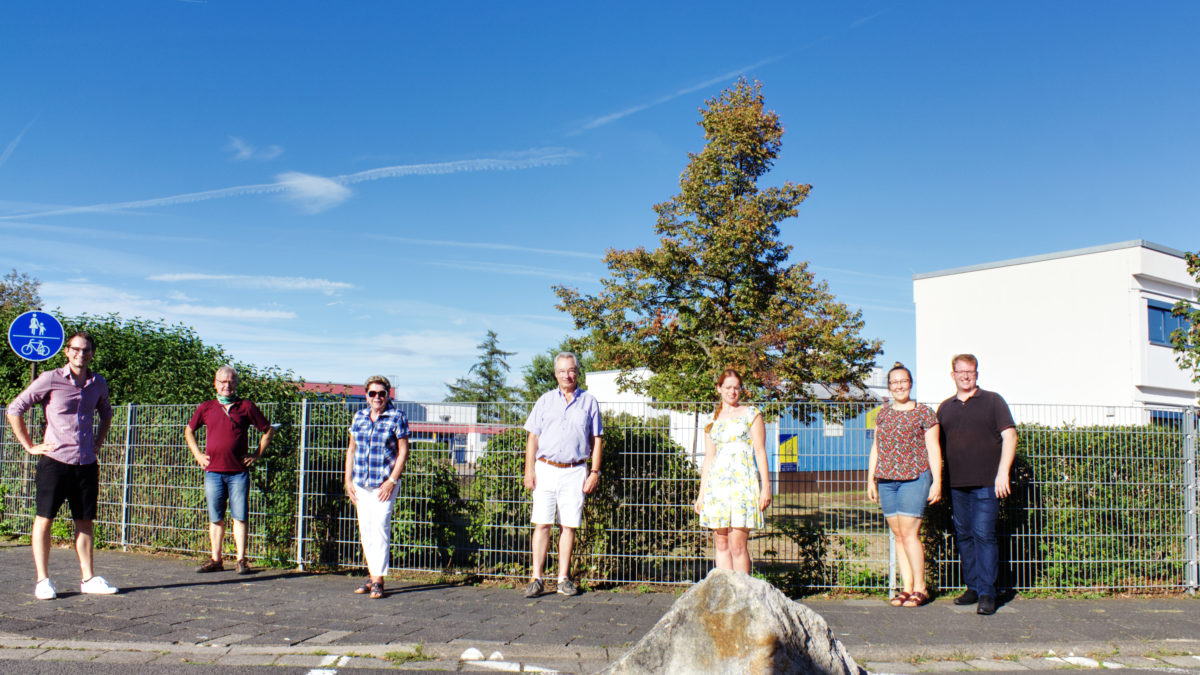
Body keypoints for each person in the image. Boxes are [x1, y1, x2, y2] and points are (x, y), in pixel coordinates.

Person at [5, 331, 119, 599]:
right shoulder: (51, 379)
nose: (81, 354)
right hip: (54, 462)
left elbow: (106, 413)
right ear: (67, 352)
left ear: (92, 354)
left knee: (85, 521)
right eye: (76, 349)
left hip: (86, 463)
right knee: (44, 520)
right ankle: (43, 581)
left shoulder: (98, 383)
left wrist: (98, 444)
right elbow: (15, 409)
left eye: (87, 350)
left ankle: (89, 579)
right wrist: (29, 446)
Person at [937, 354, 1018, 616]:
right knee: (965, 536)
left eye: (970, 371)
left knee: (984, 535)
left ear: (976, 374)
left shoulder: (993, 401)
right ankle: (972, 587)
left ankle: (987, 593)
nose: (965, 376)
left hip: (986, 484)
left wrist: (1003, 473)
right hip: (957, 485)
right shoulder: (945, 407)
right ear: (953, 375)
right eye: (961, 372)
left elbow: (1010, 436)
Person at [522, 352, 603, 598]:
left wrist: (595, 472)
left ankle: (563, 579)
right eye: (561, 371)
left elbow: (596, 439)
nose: (566, 375)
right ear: (555, 374)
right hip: (545, 469)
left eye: (571, 370)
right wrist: (529, 469)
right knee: (542, 524)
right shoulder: (544, 401)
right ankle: (537, 578)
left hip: (575, 471)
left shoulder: (589, 402)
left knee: (569, 526)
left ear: (577, 372)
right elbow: (532, 437)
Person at [184, 365, 274, 574]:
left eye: (231, 382)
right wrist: (197, 455)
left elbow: (267, 430)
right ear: (215, 384)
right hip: (213, 472)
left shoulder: (246, 406)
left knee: (240, 516)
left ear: (236, 384)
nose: (227, 385)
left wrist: (257, 454)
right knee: (215, 517)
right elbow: (189, 431)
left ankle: (241, 560)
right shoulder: (206, 407)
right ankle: (216, 559)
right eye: (223, 382)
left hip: (238, 473)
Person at [866, 362, 942, 607]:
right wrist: (871, 479)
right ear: (889, 387)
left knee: (910, 534)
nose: (899, 385)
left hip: (915, 478)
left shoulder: (924, 413)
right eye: (894, 382)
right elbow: (876, 448)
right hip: (887, 480)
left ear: (911, 383)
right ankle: (906, 587)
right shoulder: (883, 413)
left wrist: (937, 482)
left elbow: (933, 448)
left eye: (903, 381)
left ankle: (921, 587)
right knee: (898, 535)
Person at [693, 368, 771, 574]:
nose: (732, 392)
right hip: (717, 488)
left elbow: (760, 451)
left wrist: (766, 488)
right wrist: (701, 495)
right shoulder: (711, 420)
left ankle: (742, 594)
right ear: (719, 388)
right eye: (727, 387)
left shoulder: (751, 414)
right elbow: (709, 459)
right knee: (721, 543)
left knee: (738, 544)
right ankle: (725, 592)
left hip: (742, 486)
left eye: (736, 388)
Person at [343, 375, 410, 599]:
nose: (377, 397)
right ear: (366, 395)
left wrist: (392, 480)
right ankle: (372, 577)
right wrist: (348, 480)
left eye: (382, 393)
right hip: (361, 484)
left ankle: (379, 580)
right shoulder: (359, 417)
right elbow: (351, 449)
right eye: (373, 393)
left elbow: (403, 451)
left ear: (388, 395)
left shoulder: (396, 417)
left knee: (380, 527)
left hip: (384, 485)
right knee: (366, 530)